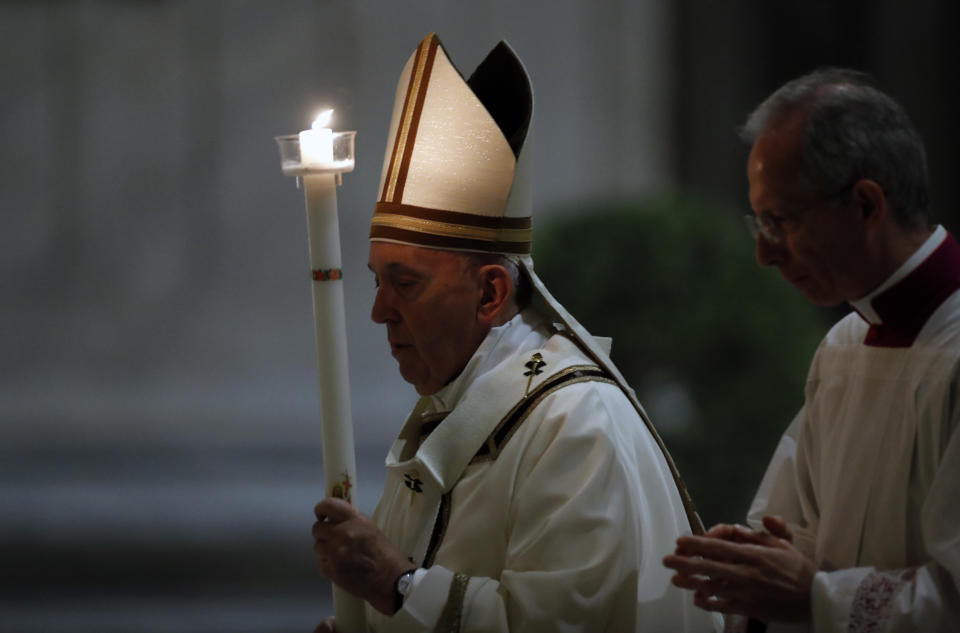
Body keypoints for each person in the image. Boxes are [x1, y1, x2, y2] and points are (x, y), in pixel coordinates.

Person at [311, 33, 721, 632]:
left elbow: (563, 625)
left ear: (490, 294)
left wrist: (395, 586)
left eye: (405, 283)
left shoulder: (576, 426)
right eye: (377, 280)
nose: (379, 312)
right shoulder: (453, 409)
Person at [663, 67, 960, 632]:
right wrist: (752, 566)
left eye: (780, 221)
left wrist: (813, 597)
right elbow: (789, 526)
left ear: (867, 205)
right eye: (759, 221)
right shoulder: (844, 346)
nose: (763, 253)